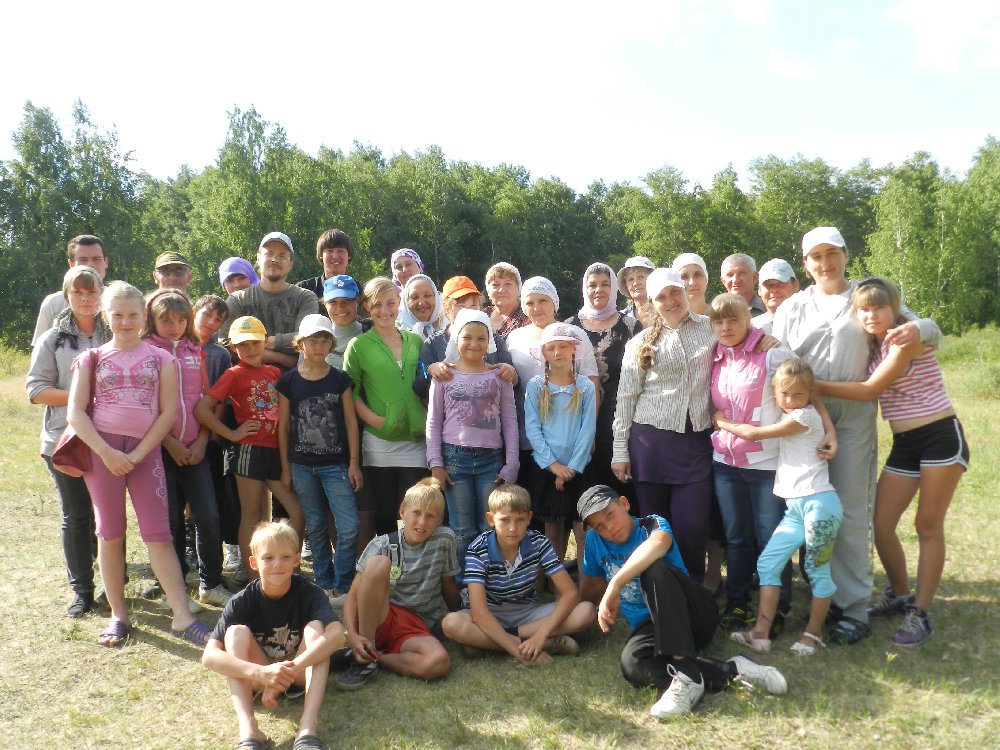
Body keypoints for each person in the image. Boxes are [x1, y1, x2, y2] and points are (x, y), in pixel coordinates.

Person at [772, 226, 942, 645]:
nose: (825, 263)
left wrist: (921, 327)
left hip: (853, 417)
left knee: (848, 510)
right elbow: (777, 358)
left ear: (846, 255)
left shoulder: (865, 297)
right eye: (816, 257)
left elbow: (927, 330)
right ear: (805, 264)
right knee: (809, 508)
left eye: (832, 253)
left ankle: (853, 607)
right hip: (804, 419)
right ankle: (821, 597)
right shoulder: (793, 307)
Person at [816, 278, 967, 646]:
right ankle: (900, 595)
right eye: (863, 310)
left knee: (927, 525)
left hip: (939, 437)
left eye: (879, 308)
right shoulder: (874, 345)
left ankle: (921, 613)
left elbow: (869, 390)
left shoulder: (905, 338)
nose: (871, 315)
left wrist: (810, 384)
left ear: (894, 307)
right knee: (881, 524)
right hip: (905, 444)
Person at [66, 281, 209, 647]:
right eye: (118, 315)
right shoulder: (91, 358)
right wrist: (107, 453)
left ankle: (182, 616)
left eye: (133, 315)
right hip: (103, 455)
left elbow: (169, 412)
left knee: (159, 533)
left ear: (144, 316)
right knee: (110, 533)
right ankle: (119, 615)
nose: (126, 322)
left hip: (146, 455)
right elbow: (76, 414)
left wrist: (141, 452)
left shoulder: (162, 359)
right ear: (105, 316)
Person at [577, 485, 787, 718]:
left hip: (693, 614)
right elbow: (590, 587)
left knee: (654, 568)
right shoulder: (594, 542)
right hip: (653, 627)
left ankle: (686, 672)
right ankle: (732, 670)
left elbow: (658, 544)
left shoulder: (651, 524)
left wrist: (616, 583)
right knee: (633, 665)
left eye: (610, 515)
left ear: (625, 504)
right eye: (599, 525)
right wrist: (575, 616)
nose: (608, 527)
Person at [717, 359, 843, 656]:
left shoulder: (803, 417)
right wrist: (830, 428)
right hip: (795, 509)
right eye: (784, 393)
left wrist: (720, 421)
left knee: (816, 569)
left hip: (819, 504)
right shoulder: (805, 411)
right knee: (767, 564)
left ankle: (812, 635)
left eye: (798, 394)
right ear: (774, 391)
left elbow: (754, 434)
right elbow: (816, 401)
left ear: (809, 394)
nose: (789, 400)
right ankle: (760, 634)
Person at [611, 268, 717, 581]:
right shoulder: (640, 342)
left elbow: (744, 336)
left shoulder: (711, 328)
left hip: (696, 443)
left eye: (675, 292)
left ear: (685, 291)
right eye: (662, 297)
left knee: (692, 527)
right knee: (655, 529)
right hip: (651, 446)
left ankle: (692, 590)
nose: (670, 301)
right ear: (652, 302)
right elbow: (626, 398)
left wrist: (765, 340)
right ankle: (661, 592)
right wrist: (620, 450)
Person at [202, 520, 343, 750]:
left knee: (316, 628)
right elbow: (209, 657)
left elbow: (337, 636)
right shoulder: (242, 600)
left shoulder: (310, 592)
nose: (277, 564)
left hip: (299, 673)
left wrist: (290, 670)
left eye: (285, 557)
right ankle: (249, 730)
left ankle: (308, 726)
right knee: (236, 632)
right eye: (268, 558)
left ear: (297, 559)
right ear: (253, 562)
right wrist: (262, 673)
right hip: (259, 676)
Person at [709, 293, 801, 633]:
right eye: (719, 321)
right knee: (736, 539)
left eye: (733, 320)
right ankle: (738, 602)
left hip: (765, 463)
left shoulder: (771, 352)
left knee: (771, 540)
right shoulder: (715, 355)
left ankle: (776, 609)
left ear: (747, 320)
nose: (726, 327)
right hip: (726, 462)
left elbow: (802, 385)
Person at [26, 266, 111, 616]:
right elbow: (36, 391)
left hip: (109, 437)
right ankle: (82, 590)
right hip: (65, 440)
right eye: (78, 292)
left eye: (92, 292)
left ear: (101, 294)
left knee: (109, 516)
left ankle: (113, 585)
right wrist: (81, 396)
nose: (86, 299)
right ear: (67, 295)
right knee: (77, 515)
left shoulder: (116, 332)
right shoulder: (52, 339)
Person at [194, 316, 305, 576]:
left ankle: (290, 570)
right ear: (234, 348)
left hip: (275, 451)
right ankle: (255, 576)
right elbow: (202, 410)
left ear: (265, 342)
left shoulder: (274, 372)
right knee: (252, 515)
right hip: (248, 451)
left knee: (297, 512)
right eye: (243, 345)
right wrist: (232, 434)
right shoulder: (233, 374)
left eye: (255, 342)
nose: (250, 349)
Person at [441, 484, 595, 663]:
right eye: (505, 520)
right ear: (490, 519)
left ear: (529, 518)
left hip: (527, 613)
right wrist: (519, 653)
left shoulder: (539, 543)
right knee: (451, 623)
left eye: (520, 519)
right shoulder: (478, 549)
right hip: (489, 614)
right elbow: (480, 614)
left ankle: (487, 642)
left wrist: (541, 635)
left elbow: (570, 594)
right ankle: (538, 645)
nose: (512, 528)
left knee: (586, 611)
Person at [144, 289, 230, 607]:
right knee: (169, 520)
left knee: (208, 515)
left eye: (181, 320)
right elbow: (145, 405)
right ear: (152, 320)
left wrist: (204, 439)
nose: (175, 326)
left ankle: (211, 583)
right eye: (166, 320)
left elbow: (205, 400)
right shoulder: (145, 350)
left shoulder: (196, 350)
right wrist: (169, 442)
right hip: (159, 449)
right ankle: (174, 585)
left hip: (196, 447)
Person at [337, 478, 460, 690]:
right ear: (402, 512)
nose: (422, 522)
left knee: (438, 662)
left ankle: (370, 656)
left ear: (440, 520)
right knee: (378, 563)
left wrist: (460, 615)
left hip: (415, 627)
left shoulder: (445, 540)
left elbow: (448, 584)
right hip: (379, 618)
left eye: (430, 516)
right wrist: (354, 636)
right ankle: (364, 650)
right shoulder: (380, 544)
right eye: (416, 513)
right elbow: (352, 599)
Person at [278, 315, 362, 603]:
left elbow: (351, 423)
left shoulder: (340, 379)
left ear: (331, 343)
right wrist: (285, 468)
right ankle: (323, 583)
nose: (319, 346)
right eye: (312, 340)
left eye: (324, 340)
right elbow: (284, 426)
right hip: (301, 464)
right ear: (300, 343)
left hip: (336, 464)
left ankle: (343, 583)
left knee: (349, 526)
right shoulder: (289, 381)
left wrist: (354, 462)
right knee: (315, 525)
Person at [425, 309, 519, 568]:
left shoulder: (499, 376)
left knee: (491, 524)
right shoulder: (444, 376)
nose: (474, 344)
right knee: (461, 529)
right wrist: (435, 463)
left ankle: (490, 579)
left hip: (491, 461)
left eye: (481, 338)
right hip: (455, 460)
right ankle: (462, 582)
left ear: (489, 342)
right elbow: (433, 422)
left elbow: (510, 421)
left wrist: (512, 463)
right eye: (467, 337)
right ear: (456, 339)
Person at [343, 278, 429, 536]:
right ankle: (388, 560)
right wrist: (377, 420)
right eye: (377, 304)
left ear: (399, 302)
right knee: (384, 515)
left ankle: (411, 560)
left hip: (416, 441)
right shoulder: (358, 346)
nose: (384, 310)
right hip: (379, 442)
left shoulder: (415, 341)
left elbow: (427, 383)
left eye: (390, 303)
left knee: (414, 512)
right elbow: (351, 393)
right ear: (366, 306)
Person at [565, 262, 642, 500]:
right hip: (577, 420)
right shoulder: (568, 328)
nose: (598, 290)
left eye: (605, 284)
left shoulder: (630, 327)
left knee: (620, 492)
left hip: (619, 420)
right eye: (592, 285)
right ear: (584, 289)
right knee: (584, 493)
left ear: (614, 288)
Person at [524, 322, 597, 565]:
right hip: (546, 468)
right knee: (552, 531)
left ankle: (586, 583)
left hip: (580, 468)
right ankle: (554, 583)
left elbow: (587, 430)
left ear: (573, 349)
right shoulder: (536, 386)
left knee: (582, 530)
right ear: (544, 353)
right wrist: (554, 466)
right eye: (551, 348)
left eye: (563, 346)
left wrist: (572, 468)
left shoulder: (585, 386)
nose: (558, 352)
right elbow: (533, 429)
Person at [193, 294, 243, 576]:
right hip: (176, 433)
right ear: (194, 311)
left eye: (218, 320)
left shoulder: (220, 354)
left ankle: (225, 551)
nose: (211, 323)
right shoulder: (178, 345)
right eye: (207, 315)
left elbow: (222, 398)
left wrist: (214, 433)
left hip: (210, 434)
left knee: (213, 497)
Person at [414, 275, 516, 402]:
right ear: (446, 309)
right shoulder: (433, 343)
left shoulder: (493, 340)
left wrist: (510, 372)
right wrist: (430, 370)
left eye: (473, 305)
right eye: (461, 306)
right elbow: (419, 388)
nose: (468, 311)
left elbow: (514, 382)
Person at [226, 232, 318, 371]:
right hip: (247, 381)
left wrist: (263, 342)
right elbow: (228, 345)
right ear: (258, 258)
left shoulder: (305, 298)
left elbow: (308, 338)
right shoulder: (238, 300)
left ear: (290, 264)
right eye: (269, 254)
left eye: (282, 256)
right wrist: (283, 358)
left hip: (296, 380)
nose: (274, 260)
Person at [32, 234, 109, 345]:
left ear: (106, 262)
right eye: (83, 260)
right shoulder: (53, 304)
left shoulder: (119, 301)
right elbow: (40, 347)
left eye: (96, 259)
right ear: (71, 264)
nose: (91, 265)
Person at [296, 229, 354, 314]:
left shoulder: (360, 292)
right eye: (330, 251)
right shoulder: (303, 290)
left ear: (349, 255)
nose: (335, 256)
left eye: (340, 251)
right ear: (321, 256)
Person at [322, 275, 364, 370]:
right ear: (325, 304)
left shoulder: (373, 333)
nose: (340, 307)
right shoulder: (316, 337)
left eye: (346, 300)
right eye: (333, 302)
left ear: (357, 301)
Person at [482, 262, 529, 340]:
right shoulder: (483, 315)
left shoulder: (527, 319)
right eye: (496, 285)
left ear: (519, 289)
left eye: (508, 284)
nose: (501, 290)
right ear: (488, 291)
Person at [751, 258, 799, 334]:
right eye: (768, 285)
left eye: (781, 284)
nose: (774, 289)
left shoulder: (812, 320)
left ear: (796, 285)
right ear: (759, 290)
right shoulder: (751, 329)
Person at [398, 273, 444, 340]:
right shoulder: (399, 333)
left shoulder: (449, 326)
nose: (421, 303)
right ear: (406, 302)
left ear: (436, 298)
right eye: (414, 297)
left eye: (427, 296)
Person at [617, 256, 655, 327]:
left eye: (640, 277)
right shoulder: (620, 319)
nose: (635, 283)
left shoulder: (665, 311)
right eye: (631, 279)